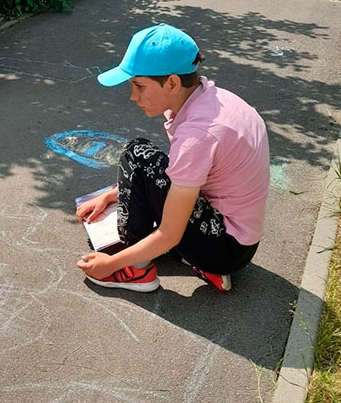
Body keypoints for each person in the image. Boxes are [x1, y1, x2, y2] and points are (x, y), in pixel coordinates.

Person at [76, 25, 270, 294]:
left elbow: (169, 234)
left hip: (224, 249)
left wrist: (111, 263)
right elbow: (181, 175)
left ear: (172, 83)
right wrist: (112, 196)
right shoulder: (214, 100)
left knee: (138, 154)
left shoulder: (198, 134)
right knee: (150, 164)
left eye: (139, 85)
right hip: (238, 239)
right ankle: (195, 261)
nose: (133, 96)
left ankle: (138, 270)